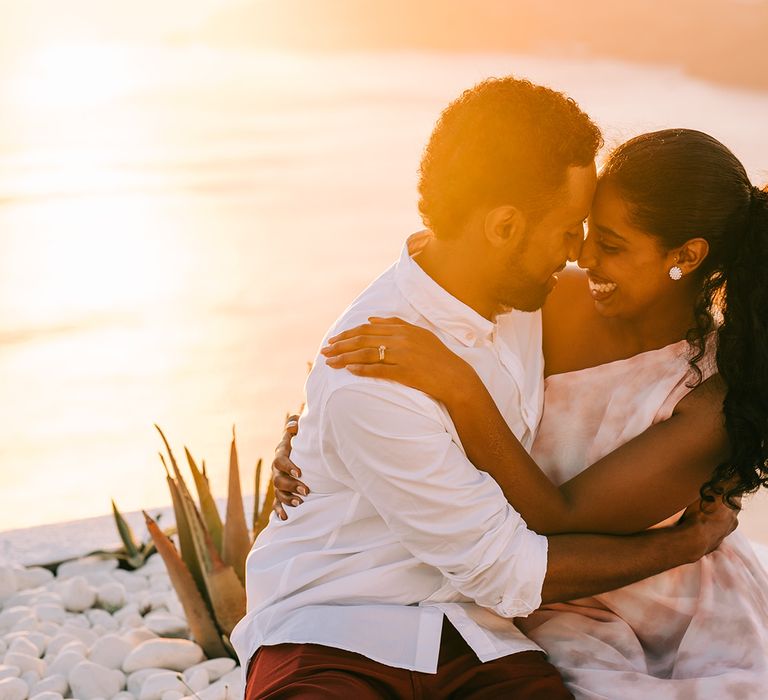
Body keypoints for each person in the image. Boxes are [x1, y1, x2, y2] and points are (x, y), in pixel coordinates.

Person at [232, 79, 738, 700]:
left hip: (486, 629)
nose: (579, 253)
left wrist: (321, 419)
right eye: (572, 230)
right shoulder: (386, 366)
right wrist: (315, 424)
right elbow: (505, 566)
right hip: (340, 622)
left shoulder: (531, 302)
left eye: (596, 237)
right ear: (504, 227)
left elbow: (549, 525)